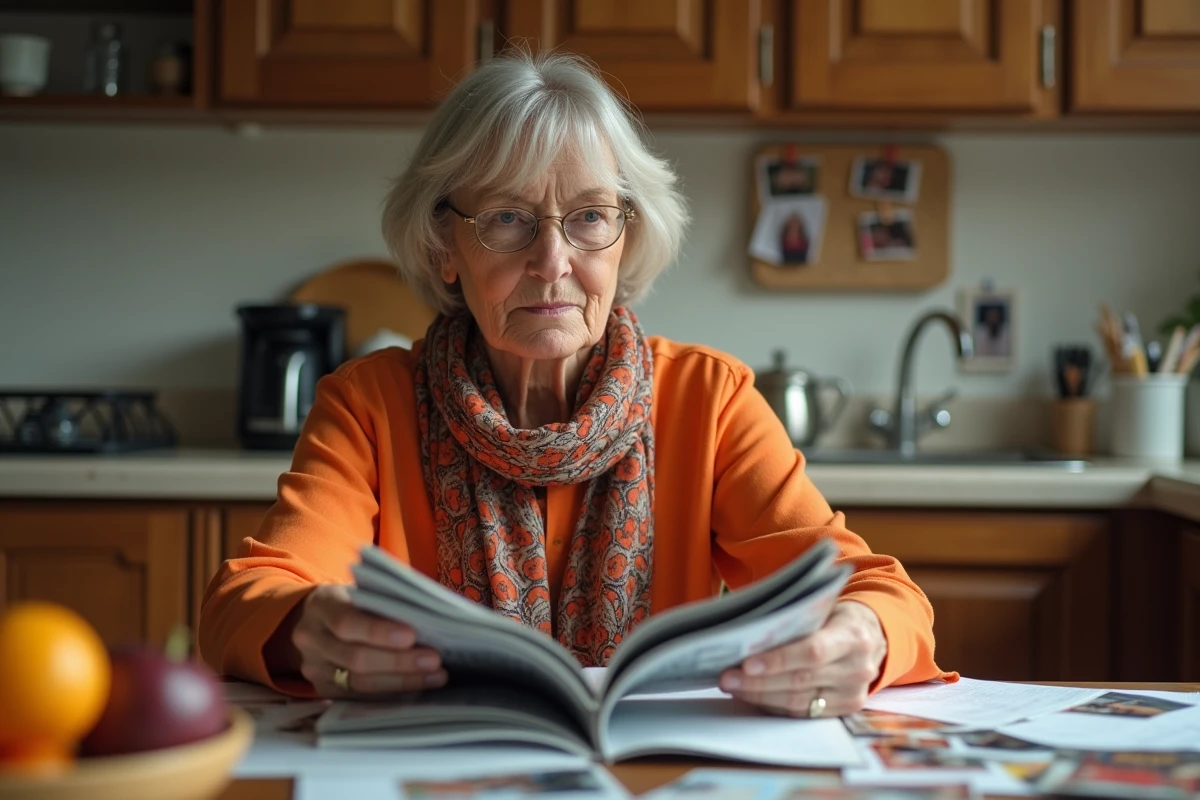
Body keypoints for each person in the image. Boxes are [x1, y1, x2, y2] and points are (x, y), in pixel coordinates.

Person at [199, 51, 955, 719]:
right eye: (506, 218)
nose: (553, 259)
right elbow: (243, 602)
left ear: (625, 240)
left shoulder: (708, 399)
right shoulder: (368, 404)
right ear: (444, 249)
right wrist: (308, 627)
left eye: (590, 216)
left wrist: (861, 635)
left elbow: (875, 591)